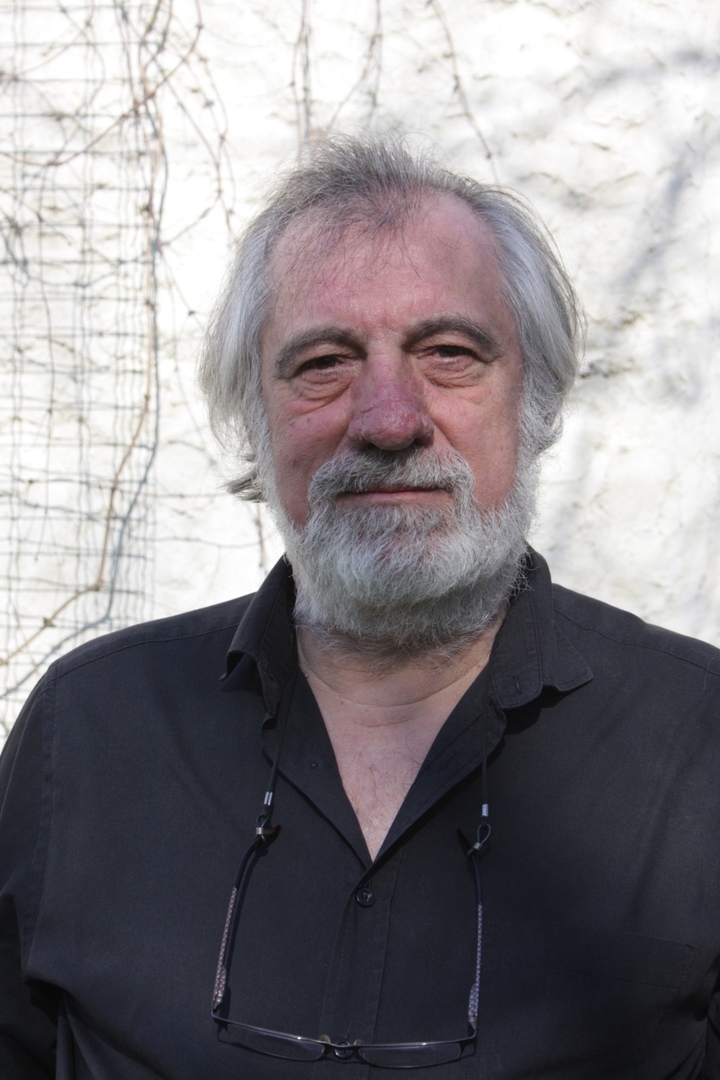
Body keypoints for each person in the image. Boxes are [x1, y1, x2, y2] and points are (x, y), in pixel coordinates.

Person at [1, 135, 719, 1080]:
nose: (388, 419)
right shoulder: (88, 732)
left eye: (450, 353)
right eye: (324, 363)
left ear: (534, 402)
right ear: (254, 419)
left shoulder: (699, 743)